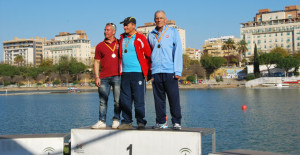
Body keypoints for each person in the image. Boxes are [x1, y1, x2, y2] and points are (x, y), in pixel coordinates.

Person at [147, 10, 183, 130]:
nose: (159, 20)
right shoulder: (151, 35)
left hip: (170, 71)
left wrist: (177, 71)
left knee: (173, 98)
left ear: (165, 19)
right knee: (158, 99)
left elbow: (178, 51)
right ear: (154, 20)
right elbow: (148, 54)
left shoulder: (173, 32)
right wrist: (149, 72)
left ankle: (176, 122)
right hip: (156, 72)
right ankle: (161, 122)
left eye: (161, 18)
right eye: (157, 18)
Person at [117, 17, 152, 130]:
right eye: (124, 25)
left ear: (133, 25)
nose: (124, 27)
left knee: (139, 99)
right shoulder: (122, 38)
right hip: (125, 74)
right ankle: (127, 121)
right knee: (125, 100)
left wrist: (148, 72)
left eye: (127, 25)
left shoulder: (140, 38)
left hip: (138, 73)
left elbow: (148, 55)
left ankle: (141, 121)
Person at [91, 23, 121, 129]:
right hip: (103, 77)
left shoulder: (120, 43)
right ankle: (101, 121)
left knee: (117, 100)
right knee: (102, 101)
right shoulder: (100, 46)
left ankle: (116, 119)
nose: (105, 32)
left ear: (114, 31)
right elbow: (96, 62)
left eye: (108, 30)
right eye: (105, 30)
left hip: (118, 76)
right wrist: (97, 77)